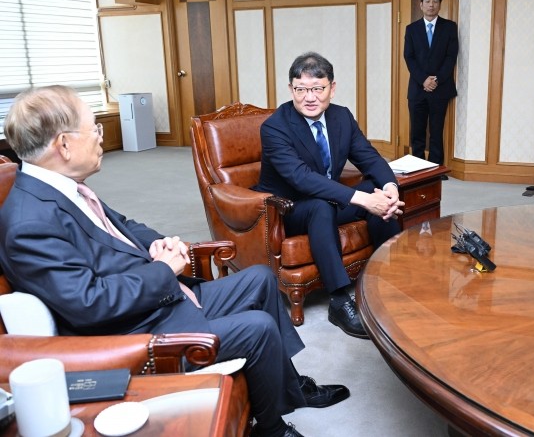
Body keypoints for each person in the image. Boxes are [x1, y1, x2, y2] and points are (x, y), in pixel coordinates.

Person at [0, 86, 350, 437]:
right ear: (64, 144)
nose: (101, 138)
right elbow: (90, 303)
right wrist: (163, 270)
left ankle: (291, 387)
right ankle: (272, 430)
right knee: (257, 327)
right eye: (96, 129)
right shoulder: (30, 223)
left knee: (260, 278)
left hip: (154, 302)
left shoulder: (61, 187)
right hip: (134, 332)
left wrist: (160, 243)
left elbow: (123, 226)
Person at [255, 52, 404, 339]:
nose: (309, 97)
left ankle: (389, 280)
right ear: (291, 90)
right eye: (301, 89)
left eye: (317, 89)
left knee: (376, 188)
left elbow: (370, 158)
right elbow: (302, 178)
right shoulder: (274, 127)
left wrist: (389, 189)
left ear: (331, 89)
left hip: (329, 199)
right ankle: (338, 300)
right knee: (323, 206)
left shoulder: (341, 117)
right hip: (288, 210)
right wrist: (361, 199)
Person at [404, 0, 458, 175]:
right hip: (418, 89)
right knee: (417, 133)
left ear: (440, 4)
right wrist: (423, 80)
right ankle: (418, 171)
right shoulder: (411, 29)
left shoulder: (449, 27)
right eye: (427, 1)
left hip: (440, 88)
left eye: (435, 1)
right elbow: (408, 57)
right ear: (421, 4)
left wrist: (436, 79)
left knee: (436, 131)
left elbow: (451, 57)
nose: (431, 5)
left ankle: (435, 170)